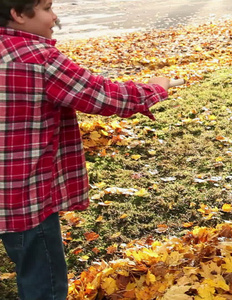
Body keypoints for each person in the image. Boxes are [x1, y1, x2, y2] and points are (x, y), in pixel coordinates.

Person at [0, 0, 174, 299]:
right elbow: (102, 95)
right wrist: (155, 88)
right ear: (17, 14)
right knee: (43, 274)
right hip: (24, 194)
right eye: (46, 9)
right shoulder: (39, 58)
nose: (54, 17)